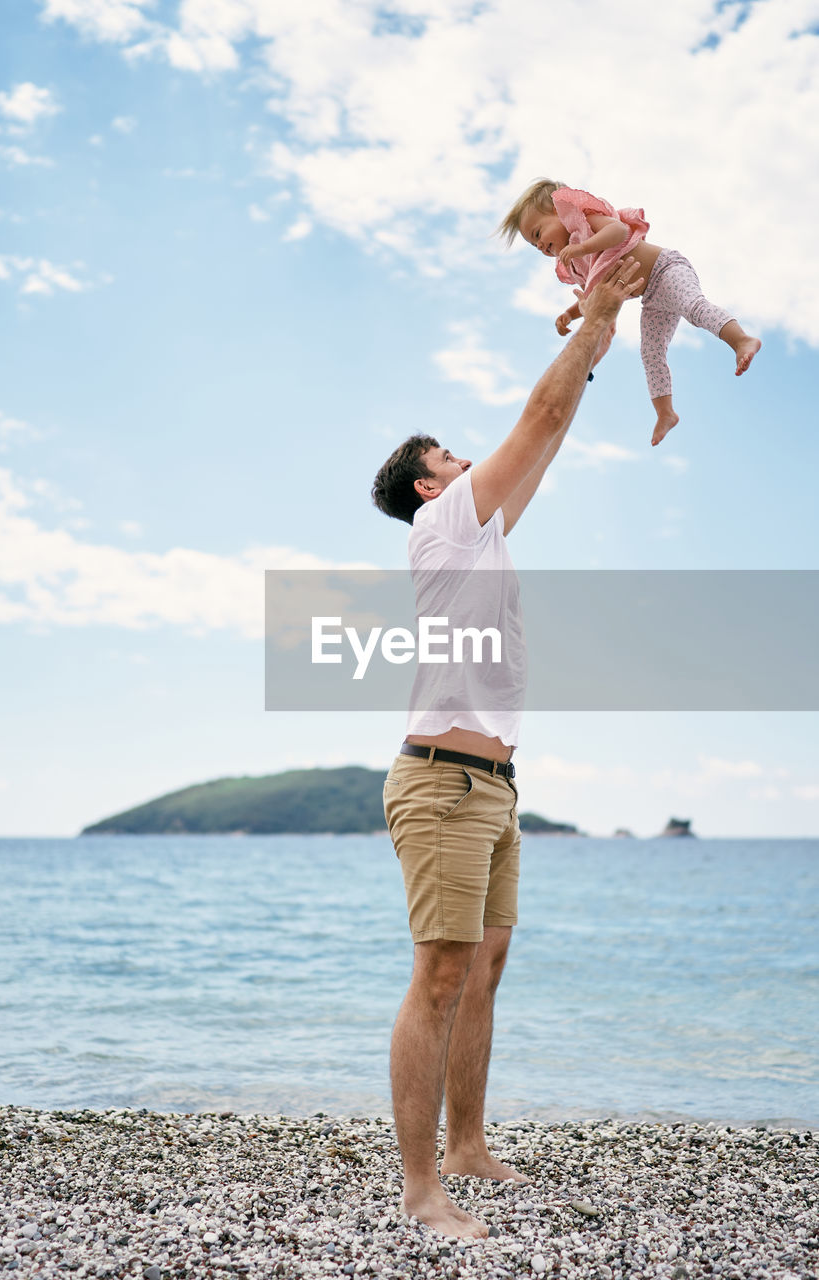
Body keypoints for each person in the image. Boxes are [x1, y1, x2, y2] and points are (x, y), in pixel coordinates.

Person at [370, 257, 643, 1239]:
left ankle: (467, 1144)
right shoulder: (444, 523)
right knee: (438, 973)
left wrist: (599, 340)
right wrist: (596, 319)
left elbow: (547, 432)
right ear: (426, 482)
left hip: (492, 786)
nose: (468, 458)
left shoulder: (478, 532)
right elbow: (535, 418)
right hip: (441, 785)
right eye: (450, 452)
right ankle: (419, 1191)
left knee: (482, 967)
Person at [498, 179, 761, 446]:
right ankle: (665, 412)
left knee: (693, 307)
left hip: (667, 269)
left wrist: (583, 247)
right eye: (534, 246)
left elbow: (619, 232)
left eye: (538, 234)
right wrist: (570, 313)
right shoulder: (577, 263)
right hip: (652, 298)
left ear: (560, 211)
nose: (540, 246)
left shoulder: (586, 223)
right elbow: (594, 294)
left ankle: (741, 340)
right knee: (651, 351)